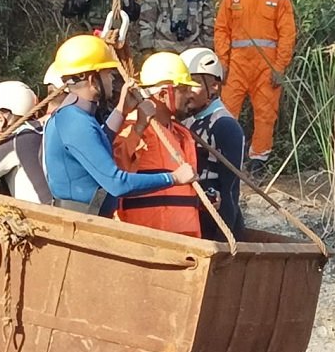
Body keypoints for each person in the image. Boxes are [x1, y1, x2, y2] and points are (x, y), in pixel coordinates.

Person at [43, 35, 195, 214]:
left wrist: (122, 111)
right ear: (93, 80)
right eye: (108, 74)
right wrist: (173, 177)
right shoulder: (75, 122)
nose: (113, 80)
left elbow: (96, 146)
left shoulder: (74, 116)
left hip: (85, 218)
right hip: (81, 222)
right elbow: (118, 183)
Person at [214, 0, 296, 179]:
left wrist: (279, 67)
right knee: (227, 112)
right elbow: (222, 30)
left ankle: (258, 161)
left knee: (266, 114)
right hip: (237, 66)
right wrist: (223, 62)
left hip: (267, 68)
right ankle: (225, 158)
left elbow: (287, 35)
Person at [112, 52, 201, 238]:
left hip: (184, 239)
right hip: (149, 239)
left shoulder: (181, 134)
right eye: (183, 89)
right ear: (162, 94)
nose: (190, 95)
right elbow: (116, 169)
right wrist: (137, 129)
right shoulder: (134, 127)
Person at [181, 47, 245, 241]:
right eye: (183, 85)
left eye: (195, 84)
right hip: (193, 218)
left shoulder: (224, 125)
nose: (187, 92)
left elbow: (230, 190)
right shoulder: (187, 120)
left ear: (214, 86)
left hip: (215, 225)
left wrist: (223, 242)